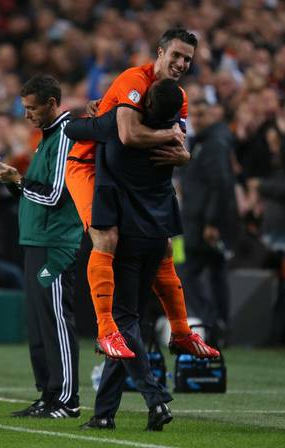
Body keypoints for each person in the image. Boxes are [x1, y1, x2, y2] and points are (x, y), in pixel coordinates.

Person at [65, 28, 218, 359]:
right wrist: (170, 138)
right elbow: (129, 134)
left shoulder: (178, 96)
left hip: (124, 175)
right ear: (160, 52)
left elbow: (180, 145)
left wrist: (185, 153)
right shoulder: (134, 79)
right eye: (175, 55)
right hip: (87, 164)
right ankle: (106, 331)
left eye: (187, 59)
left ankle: (180, 331)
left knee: (161, 246)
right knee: (105, 238)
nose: (180, 63)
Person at [66, 79, 188, 431]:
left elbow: (76, 129)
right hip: (158, 240)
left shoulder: (120, 133)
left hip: (127, 239)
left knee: (123, 321)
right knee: (129, 323)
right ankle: (104, 413)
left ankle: (155, 397)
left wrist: (104, 107)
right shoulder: (172, 137)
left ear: (145, 104)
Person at [0, 74, 81, 419]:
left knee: (55, 320)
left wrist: (18, 180)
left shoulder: (67, 135)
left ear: (52, 103)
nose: (26, 115)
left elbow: (55, 194)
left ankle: (67, 400)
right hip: (37, 239)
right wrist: (14, 181)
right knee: (38, 324)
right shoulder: (48, 136)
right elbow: (37, 193)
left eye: (32, 108)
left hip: (56, 243)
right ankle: (48, 395)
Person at [179, 99, 237, 333]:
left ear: (214, 115)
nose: (198, 119)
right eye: (195, 115)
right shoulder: (200, 142)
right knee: (215, 274)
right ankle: (218, 324)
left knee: (187, 271)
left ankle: (209, 320)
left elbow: (220, 184)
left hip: (203, 224)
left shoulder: (214, 144)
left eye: (203, 114)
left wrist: (212, 222)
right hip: (196, 221)